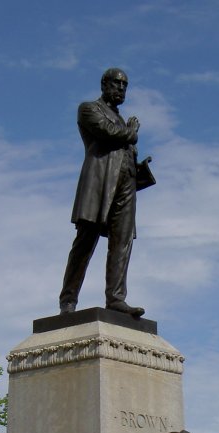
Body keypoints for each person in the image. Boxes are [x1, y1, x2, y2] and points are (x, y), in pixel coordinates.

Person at [59, 67, 146, 318]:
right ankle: (68, 299)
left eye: (125, 86)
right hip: (99, 185)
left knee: (123, 242)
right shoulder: (89, 109)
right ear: (104, 85)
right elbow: (109, 133)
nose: (121, 89)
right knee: (86, 241)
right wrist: (130, 133)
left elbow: (123, 143)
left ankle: (116, 298)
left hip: (126, 185)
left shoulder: (121, 119)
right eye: (117, 84)